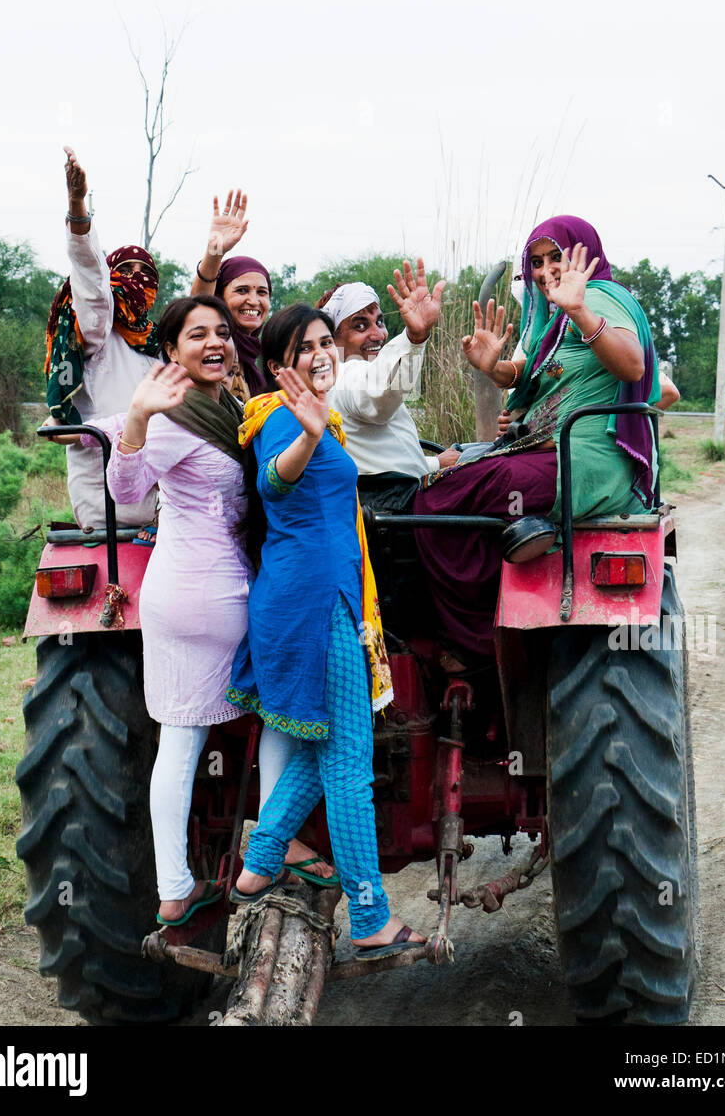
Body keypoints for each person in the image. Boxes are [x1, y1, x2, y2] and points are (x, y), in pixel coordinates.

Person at [82, 296, 330, 925]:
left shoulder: (224, 405)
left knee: (182, 741)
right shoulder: (171, 414)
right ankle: (272, 844)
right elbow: (129, 491)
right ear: (171, 351)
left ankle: (174, 887)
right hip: (215, 593)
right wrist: (137, 419)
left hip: (183, 593)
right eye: (198, 335)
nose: (216, 342)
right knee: (274, 713)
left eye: (223, 331)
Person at [227, 304, 425, 959]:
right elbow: (273, 483)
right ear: (280, 363)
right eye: (303, 346)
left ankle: (259, 859)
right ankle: (369, 918)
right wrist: (308, 438)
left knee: (325, 745)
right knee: (348, 763)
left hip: (320, 594)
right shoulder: (284, 416)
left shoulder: (322, 414)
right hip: (315, 604)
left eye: (322, 342)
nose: (319, 353)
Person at [413, 214, 664, 659]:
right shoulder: (547, 321)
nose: (546, 270)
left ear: (585, 258)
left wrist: (580, 309)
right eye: (536, 261)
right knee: (454, 475)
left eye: (557, 258)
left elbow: (634, 368)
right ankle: (498, 616)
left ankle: (473, 645)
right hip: (548, 453)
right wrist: (494, 367)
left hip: (582, 463)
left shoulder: (600, 299)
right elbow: (529, 378)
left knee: (435, 500)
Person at [44, 146, 160, 531]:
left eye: (144, 271)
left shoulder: (160, 343)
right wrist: (78, 212)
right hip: (105, 511)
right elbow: (92, 284)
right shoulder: (95, 329)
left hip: (165, 511)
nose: (134, 279)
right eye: (124, 270)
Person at [320, 259, 460, 479]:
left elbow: (380, 457)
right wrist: (414, 338)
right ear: (332, 338)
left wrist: (435, 462)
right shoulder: (345, 376)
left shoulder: (328, 380)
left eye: (380, 322)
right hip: (398, 505)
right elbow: (377, 393)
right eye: (360, 325)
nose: (379, 334)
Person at [191, 192, 272, 397]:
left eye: (262, 292)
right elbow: (199, 306)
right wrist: (215, 252)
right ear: (219, 297)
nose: (253, 301)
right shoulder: (213, 348)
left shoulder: (258, 367)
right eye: (242, 290)